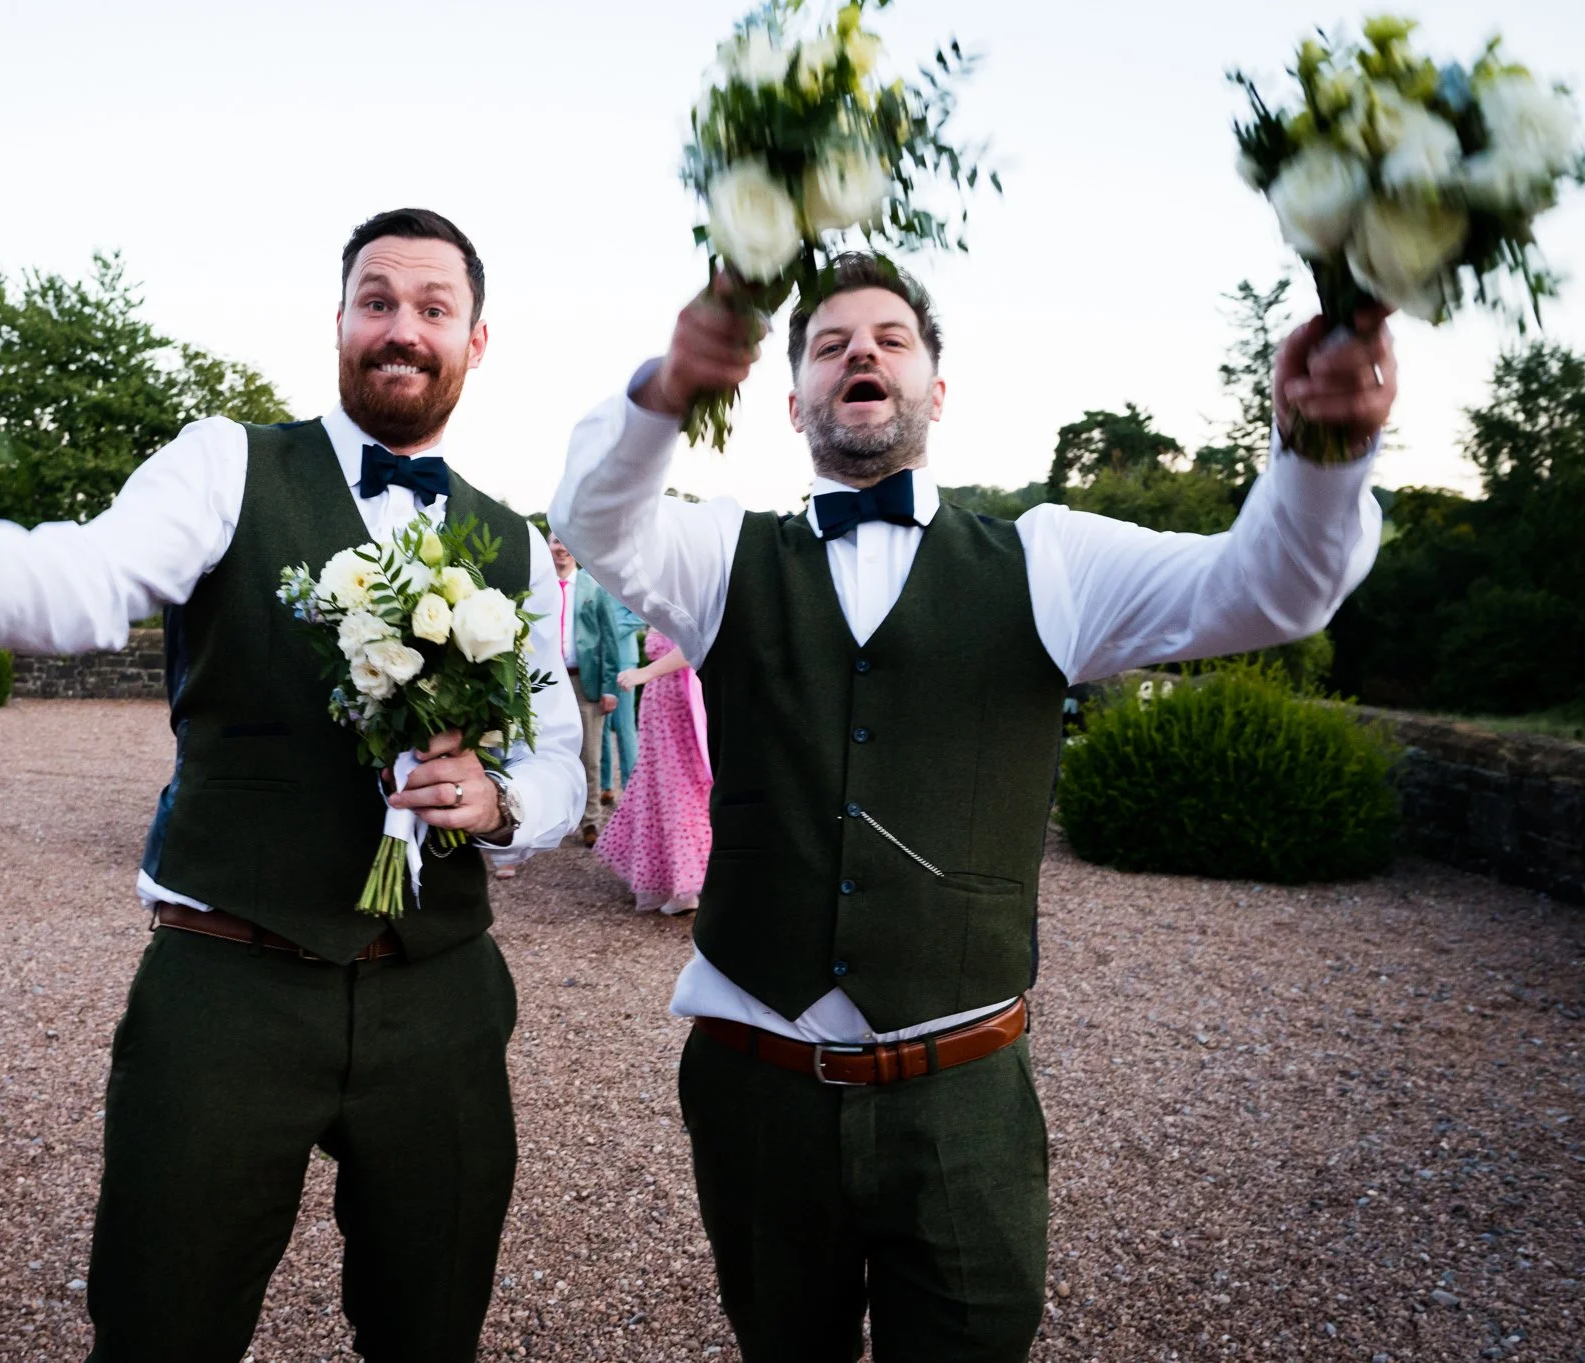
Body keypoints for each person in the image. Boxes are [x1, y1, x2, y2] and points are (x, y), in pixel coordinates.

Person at [550, 252, 1395, 1361]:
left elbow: (1267, 588)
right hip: (756, 1091)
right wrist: (668, 383)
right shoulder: (720, 552)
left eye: (890, 338)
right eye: (828, 342)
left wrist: (1322, 452)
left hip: (962, 1097)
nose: (860, 351)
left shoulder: (1048, 560)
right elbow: (594, 519)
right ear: (792, 396)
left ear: (934, 392)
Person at [0, 208, 584, 1363]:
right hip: (226, 982)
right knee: (159, 1320)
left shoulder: (514, 543)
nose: (401, 328)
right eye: (375, 300)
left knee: (430, 1325)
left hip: (435, 991)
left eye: (433, 308)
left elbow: (556, 756)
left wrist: (501, 804)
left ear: (475, 341)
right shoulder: (223, 463)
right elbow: (93, 574)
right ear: (337, 320)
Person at [596, 628, 711, 915]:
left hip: (676, 705)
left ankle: (686, 886)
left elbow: (692, 644)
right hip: (664, 705)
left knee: (678, 789)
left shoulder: (681, 595)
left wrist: (646, 672)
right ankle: (673, 880)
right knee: (661, 789)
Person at [548, 532, 626, 846]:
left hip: (585, 682)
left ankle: (591, 820)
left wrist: (610, 688)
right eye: (555, 541)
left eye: (566, 541)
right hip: (549, 682)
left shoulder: (594, 587)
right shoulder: (539, 588)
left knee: (589, 756)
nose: (561, 547)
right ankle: (555, 817)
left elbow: (610, 641)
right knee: (550, 752)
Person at [602, 597, 645, 798]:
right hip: (597, 661)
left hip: (624, 660)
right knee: (600, 726)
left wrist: (607, 631)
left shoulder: (624, 576)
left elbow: (639, 617)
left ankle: (633, 787)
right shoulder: (588, 577)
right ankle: (605, 785)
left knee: (625, 726)